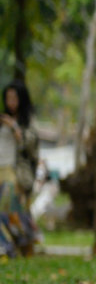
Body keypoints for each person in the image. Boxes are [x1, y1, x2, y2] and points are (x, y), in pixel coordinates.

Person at [1, 78, 41, 258]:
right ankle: (13, 245)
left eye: (14, 98)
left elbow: (31, 147)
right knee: (9, 211)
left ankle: (21, 243)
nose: (11, 102)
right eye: (8, 98)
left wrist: (15, 127)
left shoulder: (28, 120)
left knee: (9, 209)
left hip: (16, 171)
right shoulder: (2, 118)